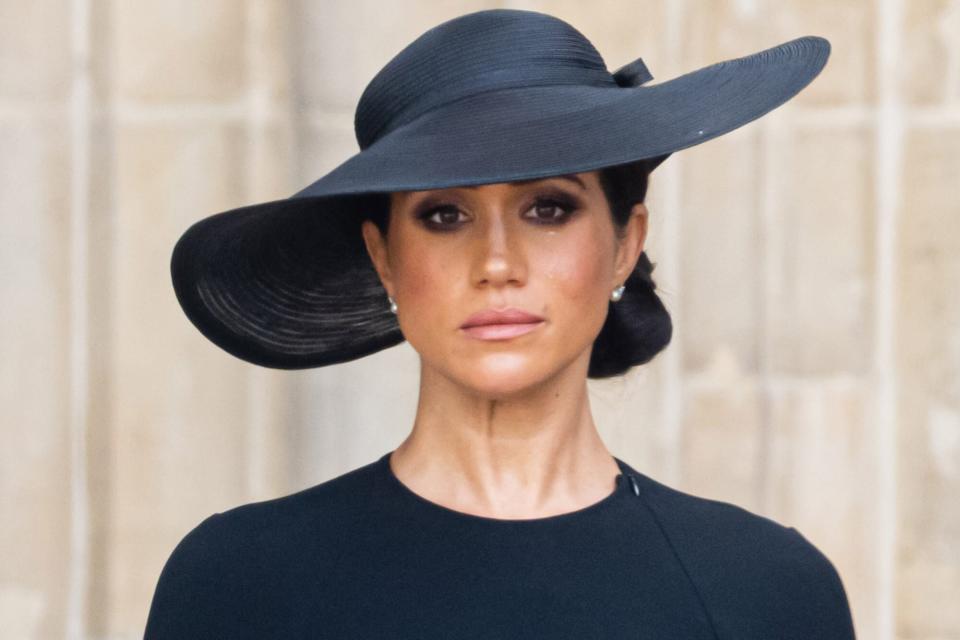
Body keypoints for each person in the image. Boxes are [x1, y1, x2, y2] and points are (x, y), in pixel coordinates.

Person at [145, 8, 856, 639]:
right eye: (444, 214)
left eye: (548, 207)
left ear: (625, 244)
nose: (496, 262)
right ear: (384, 259)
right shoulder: (238, 582)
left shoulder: (768, 591)